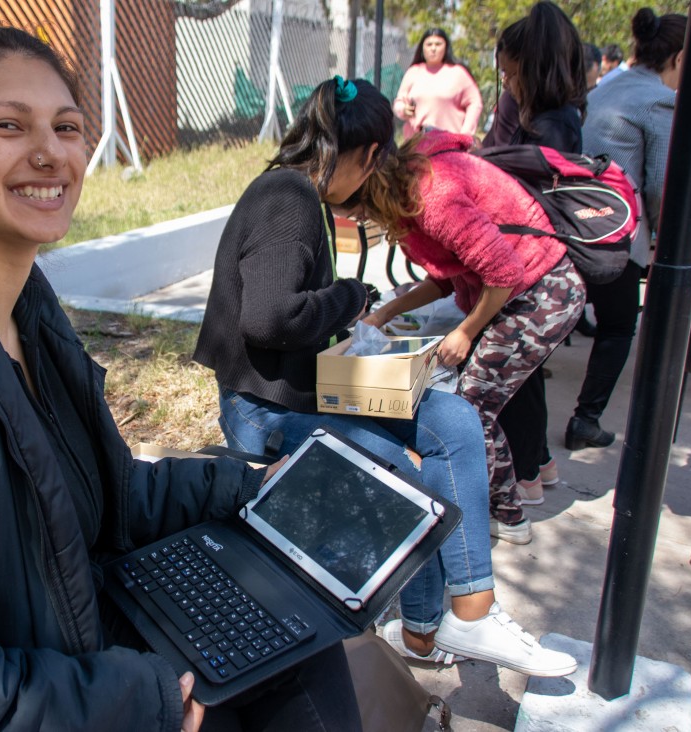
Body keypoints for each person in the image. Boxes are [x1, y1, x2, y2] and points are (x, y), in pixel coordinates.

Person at [0, 25, 368, 731]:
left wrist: (254, 485)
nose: (49, 151)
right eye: (7, 126)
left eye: (66, 127)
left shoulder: (29, 311)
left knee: (295, 634)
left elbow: (104, 496)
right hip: (28, 694)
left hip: (69, 643)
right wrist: (138, 699)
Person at [194, 76, 577, 677]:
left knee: (452, 417)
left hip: (305, 386)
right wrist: (349, 297)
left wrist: (359, 329)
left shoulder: (297, 194)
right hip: (266, 405)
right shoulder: (288, 201)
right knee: (400, 472)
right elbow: (268, 319)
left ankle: (465, 616)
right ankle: (423, 631)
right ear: (371, 152)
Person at [354, 122, 586, 546]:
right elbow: (448, 275)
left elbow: (502, 272)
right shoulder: (414, 190)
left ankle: (508, 515)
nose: (364, 221)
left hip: (541, 292)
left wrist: (465, 330)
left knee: (471, 410)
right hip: (519, 290)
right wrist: (385, 312)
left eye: (363, 213)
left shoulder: (433, 197)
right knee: (489, 395)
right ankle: (534, 475)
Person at [566, 7, 687, 451]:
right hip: (611, 233)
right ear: (678, 57)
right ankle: (586, 420)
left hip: (568, 222)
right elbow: (660, 185)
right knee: (619, 326)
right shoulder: (658, 99)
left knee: (565, 313)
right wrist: (660, 242)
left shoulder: (609, 85)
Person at [487, 1, 587, 508]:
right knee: (527, 376)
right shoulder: (553, 115)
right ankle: (540, 460)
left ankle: (522, 478)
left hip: (533, 272)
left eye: (508, 75)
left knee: (508, 383)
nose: (505, 85)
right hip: (536, 269)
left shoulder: (550, 127)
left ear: (529, 66)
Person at [392, 28, 483, 139]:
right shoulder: (413, 72)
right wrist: (403, 109)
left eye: (438, 44)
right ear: (422, 48)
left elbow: (475, 103)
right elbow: (399, 102)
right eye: (429, 44)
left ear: (446, 47)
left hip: (450, 143)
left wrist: (465, 134)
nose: (433, 48)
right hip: (418, 144)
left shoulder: (458, 73)